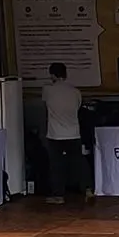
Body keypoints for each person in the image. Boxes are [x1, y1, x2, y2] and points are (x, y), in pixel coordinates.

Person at [41, 62, 85, 204]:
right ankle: (87, 189)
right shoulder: (75, 91)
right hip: (74, 133)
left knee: (56, 166)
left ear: (52, 75)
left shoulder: (48, 90)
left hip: (55, 134)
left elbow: (45, 105)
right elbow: (78, 107)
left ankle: (58, 195)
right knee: (78, 163)